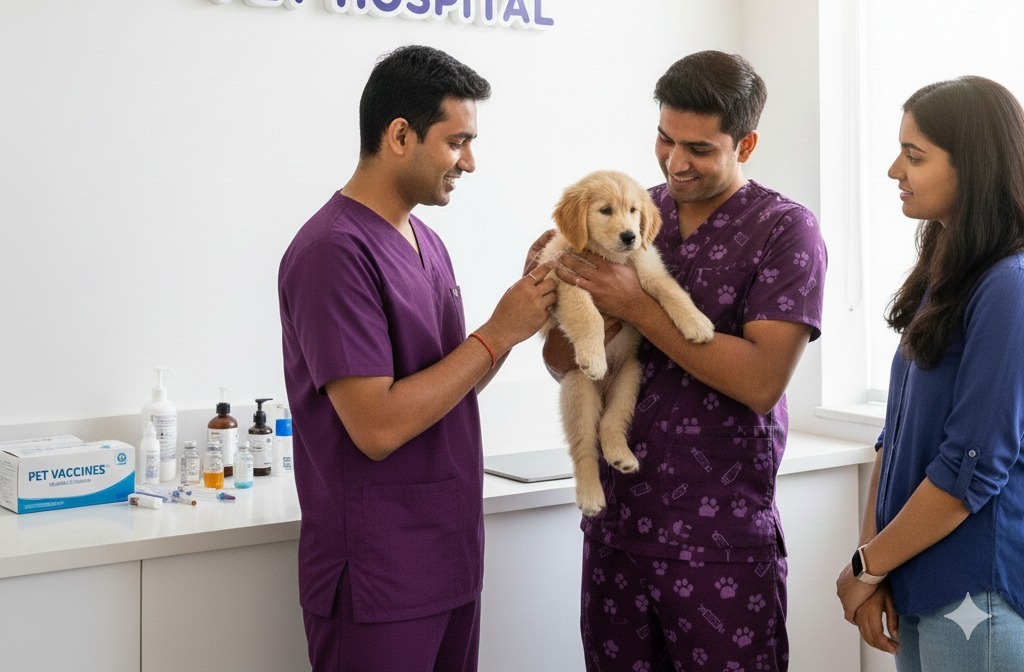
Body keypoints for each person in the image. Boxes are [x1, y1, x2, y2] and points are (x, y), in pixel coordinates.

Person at [545, 50, 827, 672]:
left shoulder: (784, 230)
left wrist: (637, 307)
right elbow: (561, 357)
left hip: (719, 540)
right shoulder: (630, 209)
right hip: (618, 529)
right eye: (665, 139)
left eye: (699, 148)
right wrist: (562, 299)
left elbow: (760, 382)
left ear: (745, 142)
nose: (676, 162)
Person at [280, 44, 557, 672]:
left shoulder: (425, 239)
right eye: (456, 142)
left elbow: (446, 388)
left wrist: (518, 321)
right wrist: (494, 332)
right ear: (400, 135)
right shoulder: (333, 251)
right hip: (379, 573)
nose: (471, 162)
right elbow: (378, 427)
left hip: (448, 557)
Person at [836, 76, 1024, 670]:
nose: (895, 170)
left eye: (914, 156)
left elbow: (971, 464)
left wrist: (868, 566)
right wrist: (873, 561)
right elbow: (895, 435)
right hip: (916, 575)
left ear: (974, 167)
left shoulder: (1010, 286)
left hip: (978, 590)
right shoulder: (948, 274)